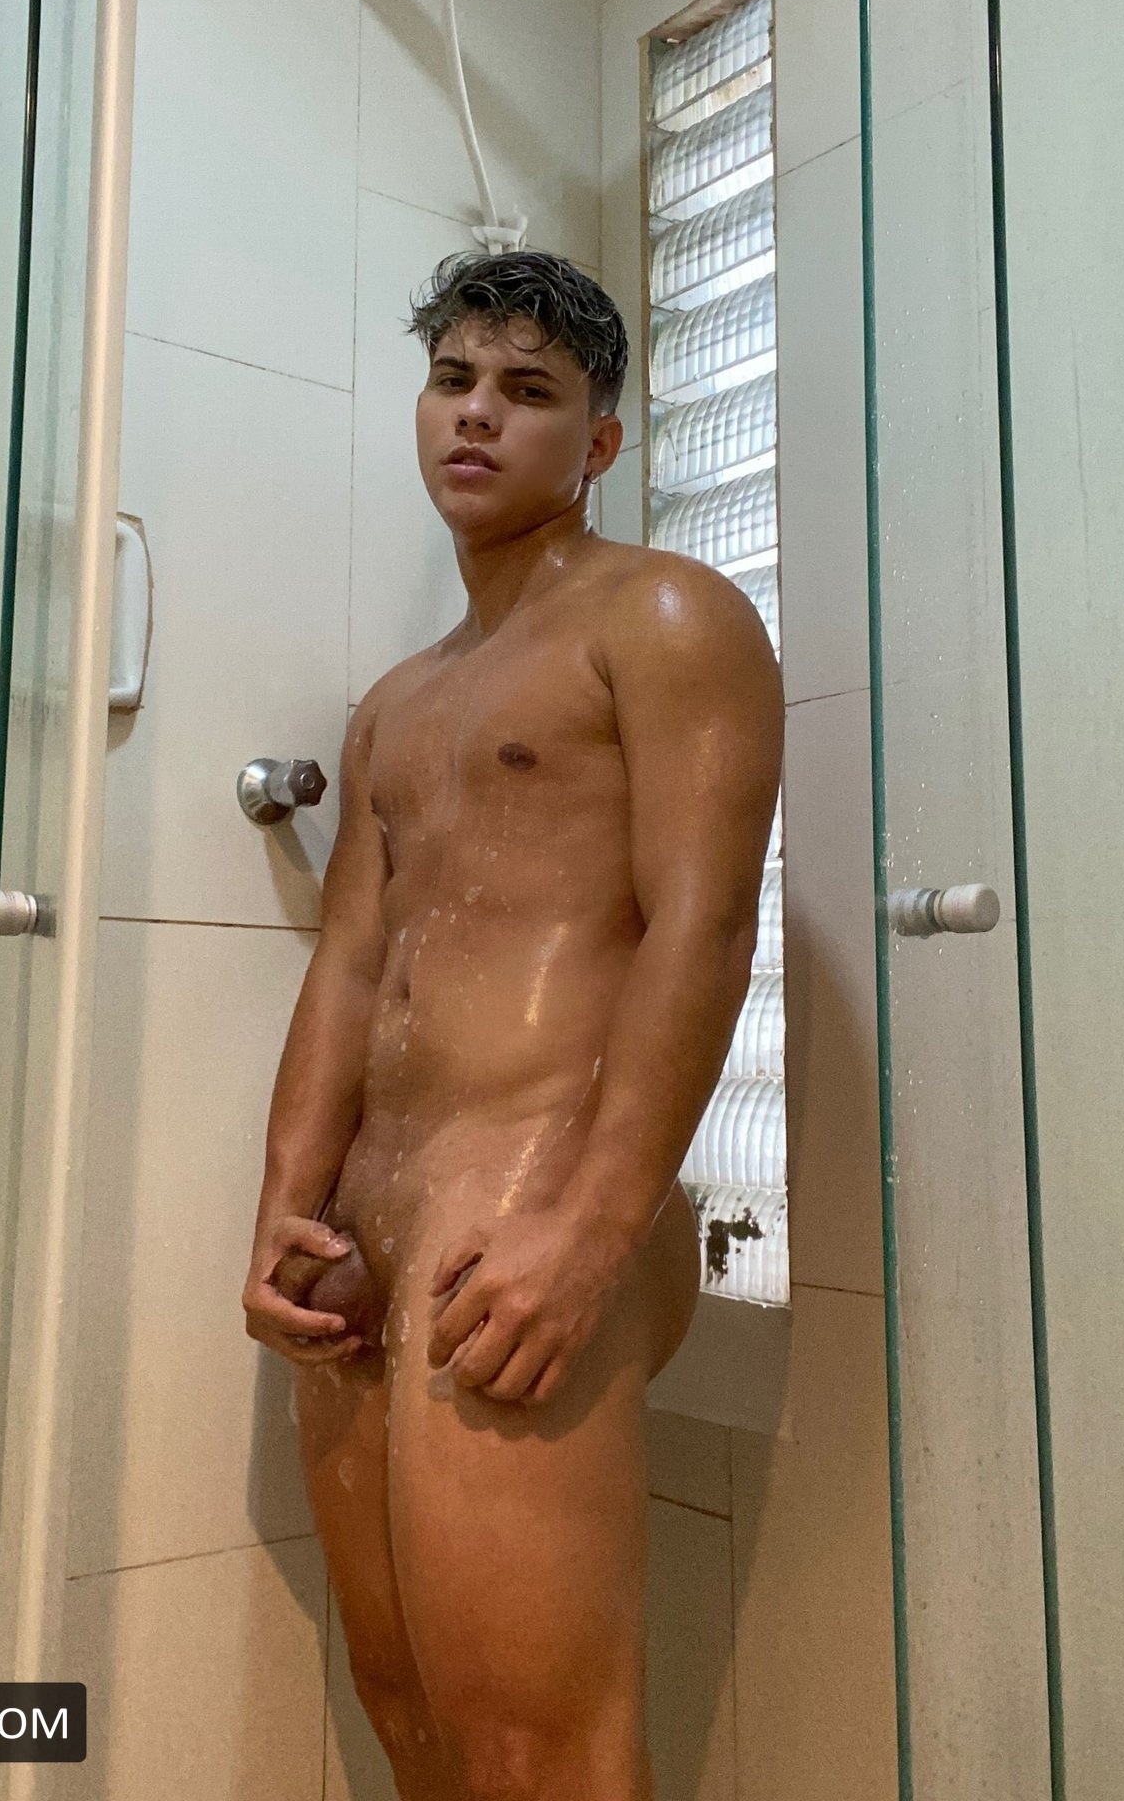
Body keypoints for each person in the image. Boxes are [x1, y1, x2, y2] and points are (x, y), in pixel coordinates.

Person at [242, 251, 783, 1800]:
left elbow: (704, 929)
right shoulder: (397, 702)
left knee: (537, 1750)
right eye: (454, 380)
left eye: (527, 391)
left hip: (533, 1195)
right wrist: (286, 1205)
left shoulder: (665, 615)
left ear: (598, 441)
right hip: (373, 1218)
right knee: (406, 1708)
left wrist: (592, 1230)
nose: (476, 414)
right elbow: (351, 965)